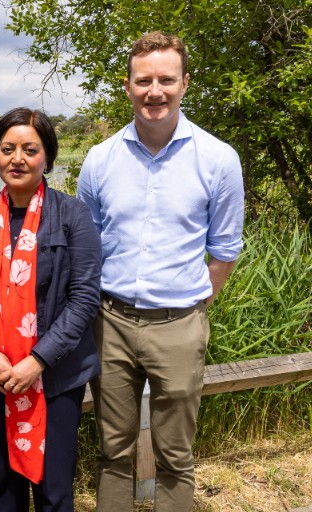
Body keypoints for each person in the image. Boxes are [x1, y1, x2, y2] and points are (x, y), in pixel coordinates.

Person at [77, 31, 245, 511]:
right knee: (113, 450)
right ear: (128, 86)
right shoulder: (100, 160)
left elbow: (225, 250)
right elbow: (88, 248)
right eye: (144, 80)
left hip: (179, 323)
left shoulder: (218, 160)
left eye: (166, 80)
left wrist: (191, 306)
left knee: (175, 453)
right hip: (109, 324)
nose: (156, 91)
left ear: (185, 83)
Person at [0, 107, 102, 511]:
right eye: (7, 148)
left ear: (46, 158)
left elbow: (84, 296)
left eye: (29, 149)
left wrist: (37, 361)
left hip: (55, 377)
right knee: (1, 483)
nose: (17, 158)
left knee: (53, 490)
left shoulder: (72, 215)